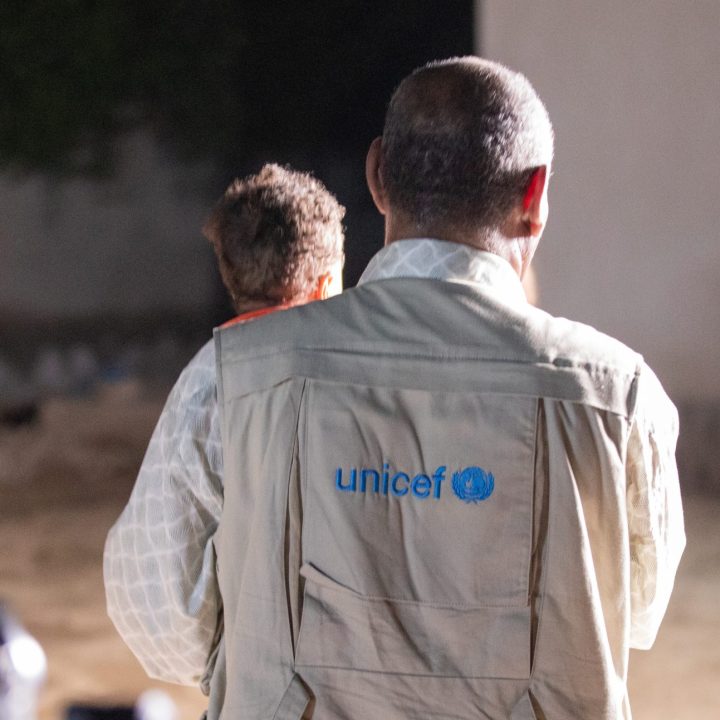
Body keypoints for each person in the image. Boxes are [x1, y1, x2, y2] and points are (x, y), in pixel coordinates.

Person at [208, 58, 685, 719]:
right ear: (535, 195)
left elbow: (170, 604)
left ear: (377, 175)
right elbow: (636, 614)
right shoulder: (617, 397)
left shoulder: (239, 374)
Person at [103, 163, 345, 691]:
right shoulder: (329, 383)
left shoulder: (201, 378)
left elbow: (150, 571)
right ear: (327, 283)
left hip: (240, 680)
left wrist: (218, 665)